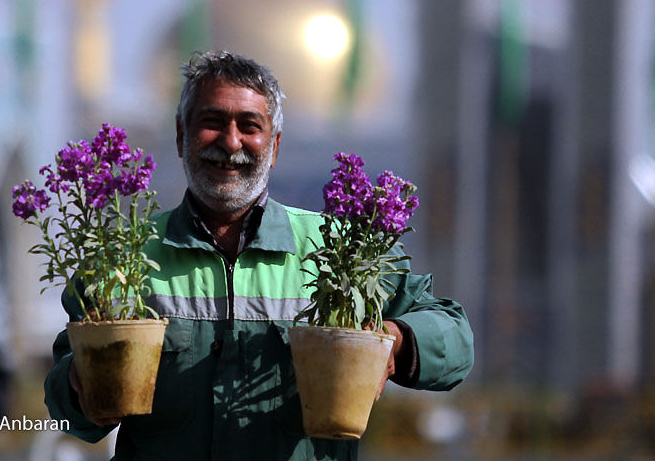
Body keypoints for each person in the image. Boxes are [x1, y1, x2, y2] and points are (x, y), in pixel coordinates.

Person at [44, 51, 473, 460]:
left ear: (275, 145)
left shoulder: (337, 246)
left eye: (249, 126)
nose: (231, 143)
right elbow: (66, 392)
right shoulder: (122, 255)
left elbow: (455, 338)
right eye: (212, 122)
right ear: (181, 136)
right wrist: (81, 389)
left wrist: (397, 341)